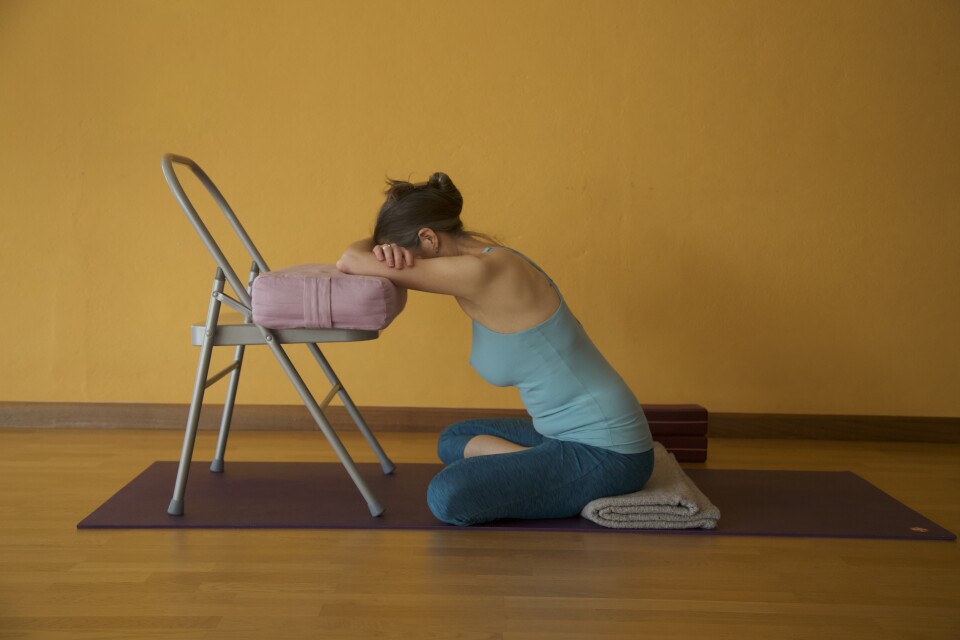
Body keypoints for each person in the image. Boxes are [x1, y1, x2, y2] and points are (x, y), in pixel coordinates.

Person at [337, 172, 654, 525]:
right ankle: (547, 469)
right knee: (453, 438)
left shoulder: (484, 271)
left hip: (610, 452)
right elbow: (357, 260)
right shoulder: (486, 258)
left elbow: (350, 260)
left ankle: (562, 474)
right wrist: (389, 241)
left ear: (428, 238)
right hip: (561, 435)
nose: (401, 266)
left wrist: (376, 247)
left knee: (447, 496)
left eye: (405, 255)